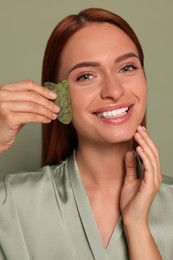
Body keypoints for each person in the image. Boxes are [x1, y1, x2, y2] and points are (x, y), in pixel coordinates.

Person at [0, 7, 172, 260]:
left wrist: (137, 227)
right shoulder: (10, 203)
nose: (113, 90)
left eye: (127, 68)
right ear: (58, 96)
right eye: (86, 75)